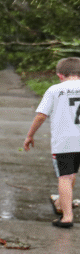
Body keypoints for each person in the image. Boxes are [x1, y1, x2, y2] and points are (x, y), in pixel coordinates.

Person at [23, 57, 80, 228]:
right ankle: (61, 204)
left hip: (65, 141)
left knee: (65, 176)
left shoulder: (55, 90)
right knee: (72, 175)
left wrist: (30, 135)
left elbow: (41, 115)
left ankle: (67, 217)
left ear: (60, 75)